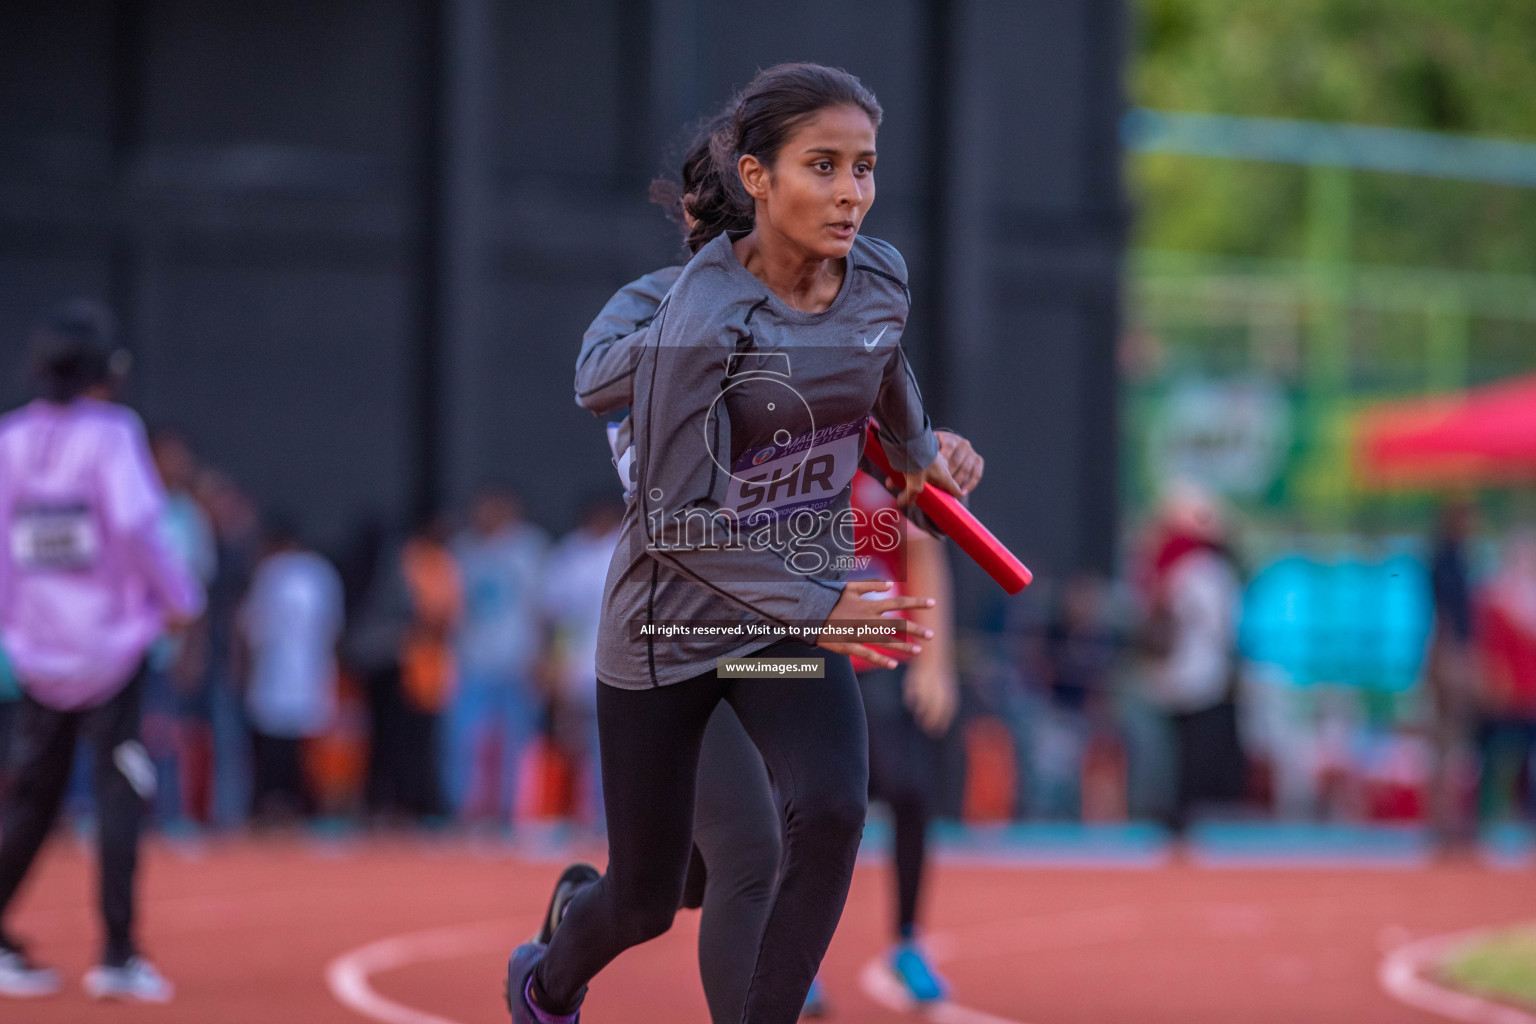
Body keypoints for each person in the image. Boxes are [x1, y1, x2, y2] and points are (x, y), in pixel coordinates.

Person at [506, 64, 959, 1024]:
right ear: (753, 184)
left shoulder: (875, 277)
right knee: (650, 896)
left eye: (864, 169)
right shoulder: (680, 321)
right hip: (675, 636)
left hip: (780, 643)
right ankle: (548, 977)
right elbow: (670, 520)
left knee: (825, 816)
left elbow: (884, 364)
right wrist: (824, 600)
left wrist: (922, 458)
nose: (850, 193)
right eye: (824, 168)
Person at [0, 300, 204, 1001]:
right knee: (121, 793)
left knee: (32, 796)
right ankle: (117, 951)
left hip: (35, 649)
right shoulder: (112, 434)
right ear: (102, 372)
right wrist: (182, 602)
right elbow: (139, 524)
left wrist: (13, 625)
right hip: (111, 651)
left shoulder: (11, 439)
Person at [1136, 482, 1246, 834]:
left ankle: (1173, 811)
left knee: (1174, 753)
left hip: (1169, 672)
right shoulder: (1205, 570)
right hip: (1198, 673)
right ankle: (1182, 814)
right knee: (1190, 754)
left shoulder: (1164, 568)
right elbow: (1224, 625)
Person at [448, 487, 548, 825]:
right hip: (472, 659)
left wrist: (543, 657)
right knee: (465, 742)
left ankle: (509, 812)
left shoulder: (529, 548)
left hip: (517, 657)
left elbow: (542, 609)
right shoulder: (464, 549)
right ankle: (468, 811)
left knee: (514, 743)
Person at [237, 519, 344, 824]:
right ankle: (307, 809)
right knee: (303, 748)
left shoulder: (271, 572)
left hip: (275, 670)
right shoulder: (321, 573)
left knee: (274, 749)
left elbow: (253, 628)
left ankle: (274, 807)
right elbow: (333, 627)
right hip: (311, 669)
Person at [1474, 530, 1536, 823]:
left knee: (1524, 763)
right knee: (1496, 758)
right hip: (1508, 695)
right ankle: (1486, 817)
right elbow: (1491, 649)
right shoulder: (1496, 597)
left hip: (1530, 693)